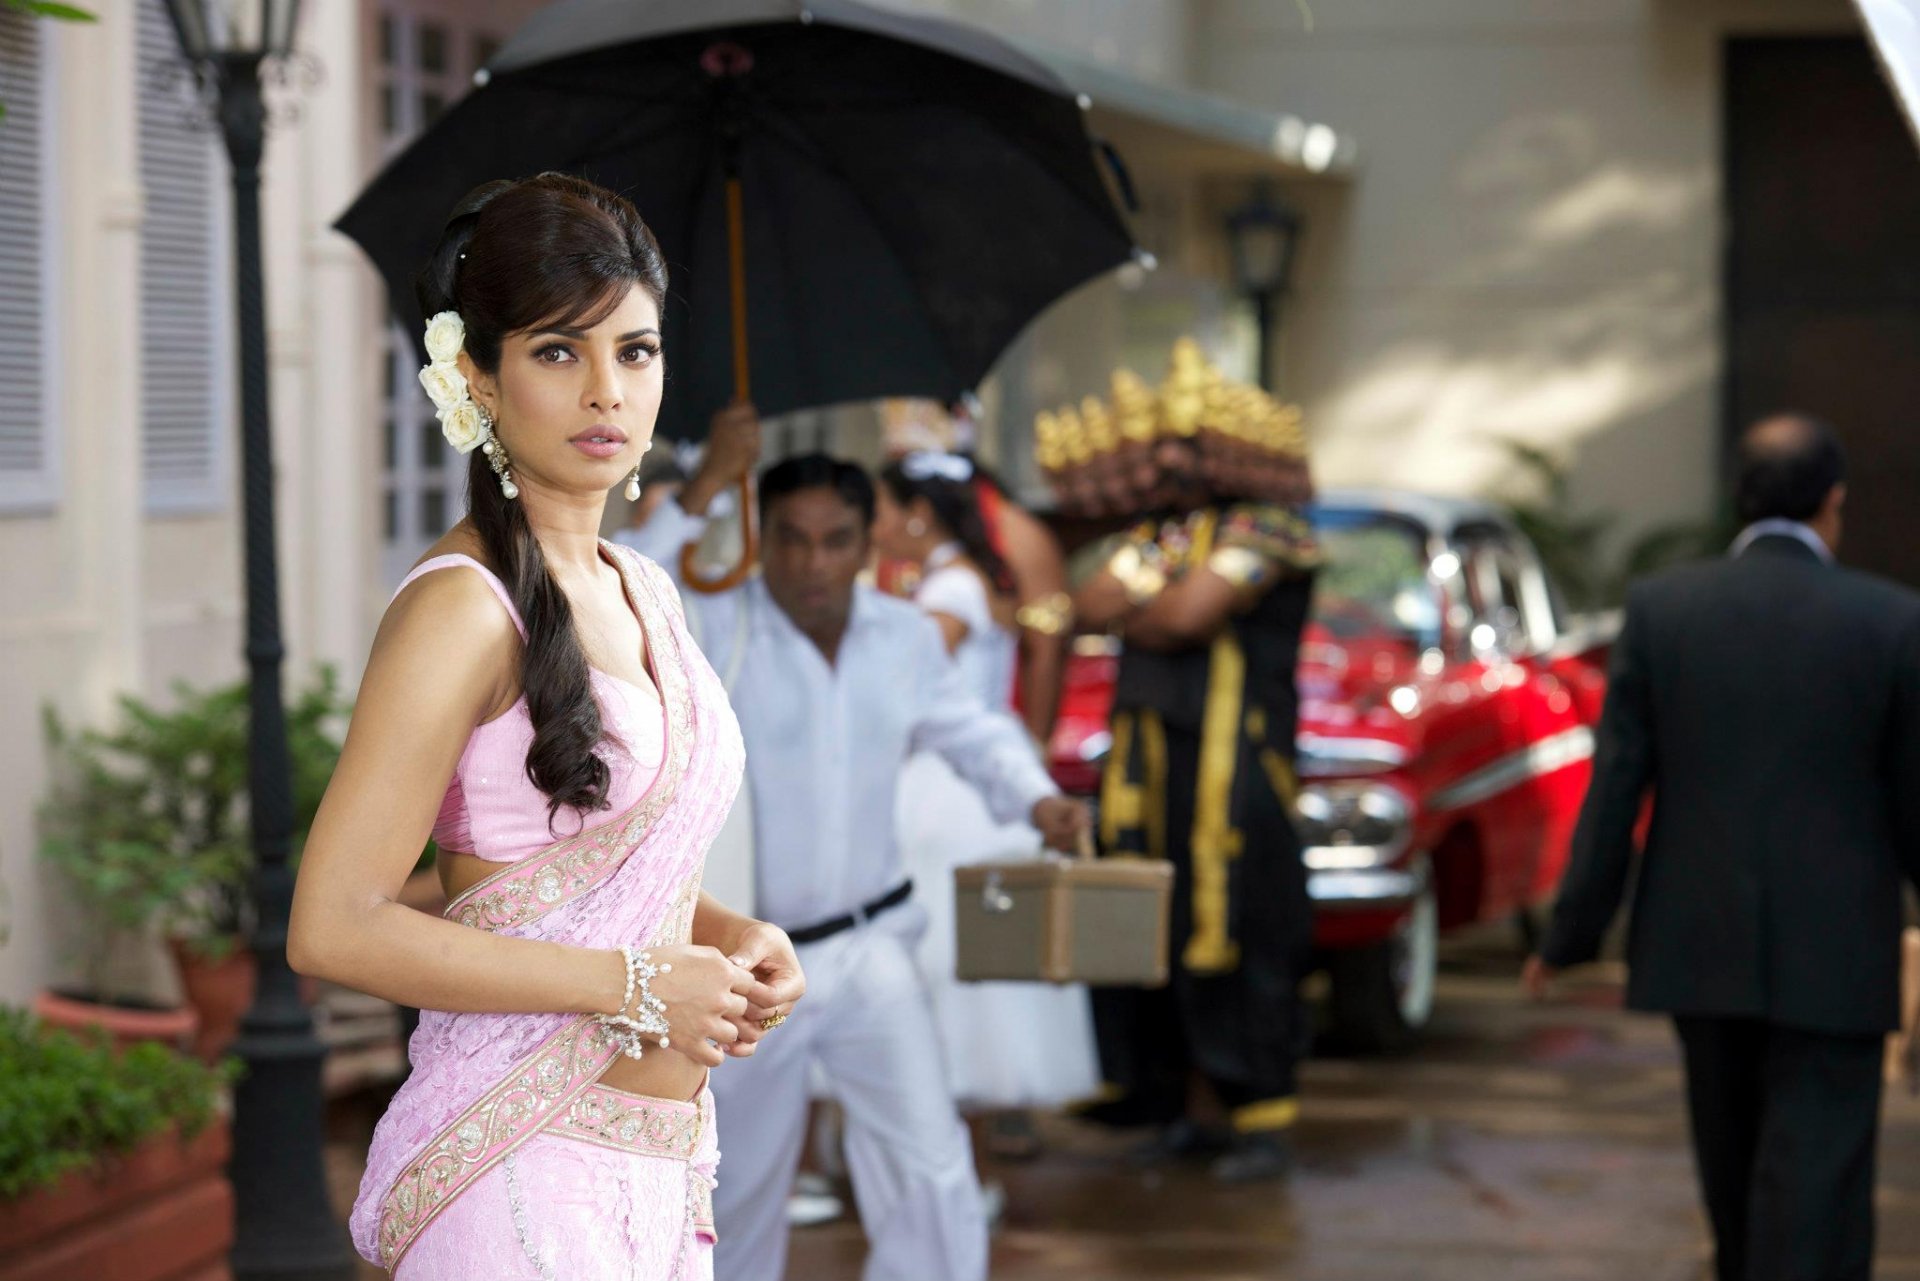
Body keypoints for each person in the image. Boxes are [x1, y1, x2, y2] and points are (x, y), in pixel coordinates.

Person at [287, 174, 804, 1279]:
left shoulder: (645, 590)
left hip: (662, 1172)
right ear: (475, 375)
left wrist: (724, 936)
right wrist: (630, 983)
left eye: (637, 350)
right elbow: (333, 926)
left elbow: (583, 861)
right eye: (560, 353)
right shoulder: (459, 613)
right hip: (517, 1172)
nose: (606, 392)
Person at [624, 413, 1092, 1281]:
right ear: (764, 537)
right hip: (748, 966)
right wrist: (704, 486)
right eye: (793, 540)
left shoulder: (903, 636)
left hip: (877, 949)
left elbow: (974, 731)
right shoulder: (715, 627)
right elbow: (626, 583)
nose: (813, 563)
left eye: (836, 540)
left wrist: (1038, 797)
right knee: (735, 1187)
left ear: (868, 539)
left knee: (931, 1168)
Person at [1526, 414, 1920, 1281]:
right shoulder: (1891, 621)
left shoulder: (1664, 611)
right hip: (1839, 952)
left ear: (1736, 497)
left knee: (1733, 1169)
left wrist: (1569, 935)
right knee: (1820, 1180)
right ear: (1834, 502)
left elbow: (1616, 787)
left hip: (1701, 947)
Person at [1065, 341, 1320, 1184]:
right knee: (1156, 931)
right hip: (1152, 768)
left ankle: (1258, 1116)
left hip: (1236, 775)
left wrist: (1149, 603)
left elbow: (1183, 618)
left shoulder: (1272, 529)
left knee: (1242, 931)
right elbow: (1087, 604)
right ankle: (1185, 1108)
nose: (1169, 457)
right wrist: (1157, 600)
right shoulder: (1165, 532)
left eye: (1187, 441)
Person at [871, 451, 1100, 1134]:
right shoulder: (967, 580)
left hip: (947, 790)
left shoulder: (950, 592)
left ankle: (955, 1118)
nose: (874, 523)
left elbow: (901, 685)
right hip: (966, 783)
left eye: (880, 508)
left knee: (942, 960)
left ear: (916, 514)